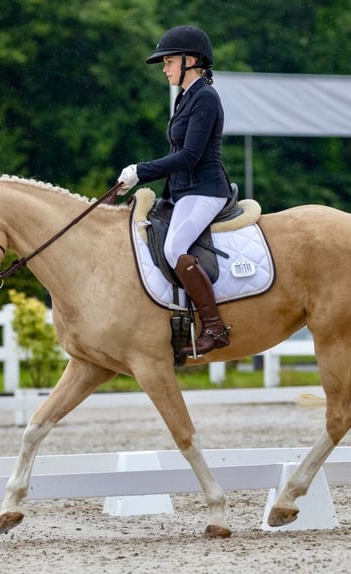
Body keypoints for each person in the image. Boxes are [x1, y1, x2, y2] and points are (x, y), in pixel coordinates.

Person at [117, 25, 232, 357]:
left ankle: (214, 326)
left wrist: (142, 171)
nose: (165, 69)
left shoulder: (206, 98)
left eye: (168, 62)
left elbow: (189, 156)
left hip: (205, 190)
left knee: (174, 248)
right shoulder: (186, 97)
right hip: (184, 191)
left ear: (191, 60)